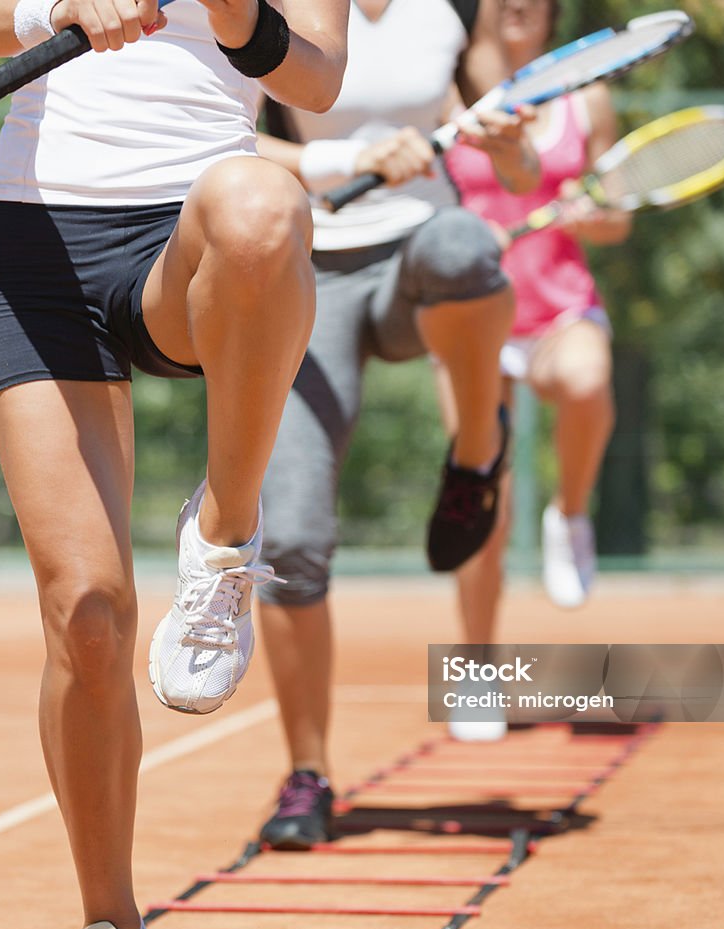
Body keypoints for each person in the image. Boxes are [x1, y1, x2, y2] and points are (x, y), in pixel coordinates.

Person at [0, 0, 348, 929]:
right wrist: (59, 8)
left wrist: (231, 12)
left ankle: (225, 527)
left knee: (264, 204)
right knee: (87, 614)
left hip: (190, 238)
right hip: (37, 250)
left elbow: (315, 80)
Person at [251, 0, 541, 849]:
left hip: (423, 266)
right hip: (309, 275)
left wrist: (512, 144)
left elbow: (514, 167)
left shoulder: (455, 11)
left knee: (467, 245)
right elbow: (223, 143)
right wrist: (342, 159)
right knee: (292, 540)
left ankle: (477, 454)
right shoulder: (265, 9)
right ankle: (309, 775)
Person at [443, 0, 632, 650]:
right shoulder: (448, 89)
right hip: (471, 319)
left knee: (586, 383)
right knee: (482, 510)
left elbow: (619, 216)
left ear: (554, 10)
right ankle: (476, 667)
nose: (516, 3)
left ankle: (571, 514)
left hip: (559, 310)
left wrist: (593, 213)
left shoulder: (591, 99)